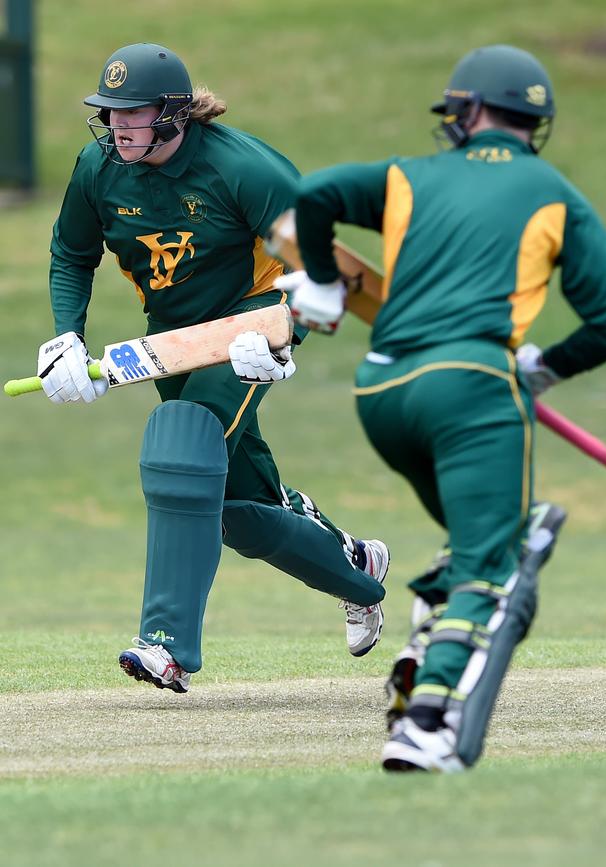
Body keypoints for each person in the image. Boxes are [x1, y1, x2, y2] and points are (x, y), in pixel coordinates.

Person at [277, 44, 606, 772]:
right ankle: (426, 712)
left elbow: (313, 196)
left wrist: (319, 282)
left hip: (382, 391)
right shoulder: (556, 192)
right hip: (473, 388)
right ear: (532, 123)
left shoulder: (410, 175)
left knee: (475, 535)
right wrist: (544, 365)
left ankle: (428, 627)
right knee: (494, 563)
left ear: (468, 112)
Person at [35, 42, 390, 693]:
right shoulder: (100, 168)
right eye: (108, 113)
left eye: (132, 113)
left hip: (250, 327)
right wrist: (65, 337)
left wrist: (283, 337)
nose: (117, 126)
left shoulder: (240, 168)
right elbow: (69, 253)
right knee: (237, 511)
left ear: (172, 113)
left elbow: (319, 266)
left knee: (182, 441)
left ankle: (164, 644)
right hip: (172, 340)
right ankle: (359, 570)